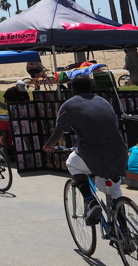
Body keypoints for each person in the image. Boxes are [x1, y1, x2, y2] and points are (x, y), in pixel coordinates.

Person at [42, 75, 127, 226]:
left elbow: (59, 132)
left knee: (72, 163)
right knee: (114, 193)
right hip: (119, 152)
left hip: (92, 153)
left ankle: (90, 200)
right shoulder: (104, 102)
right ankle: (124, 232)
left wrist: (48, 145)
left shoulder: (69, 105)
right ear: (92, 87)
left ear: (72, 89)